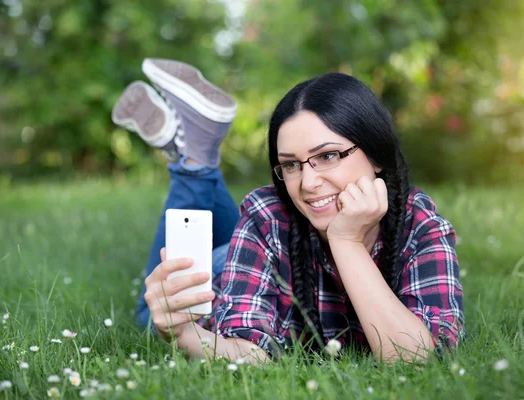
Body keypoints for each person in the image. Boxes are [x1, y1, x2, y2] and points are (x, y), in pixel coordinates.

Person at [112, 58, 465, 364]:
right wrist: (186, 334)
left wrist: (346, 241)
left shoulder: (419, 225)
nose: (308, 183)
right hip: (236, 267)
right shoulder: (267, 216)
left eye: (328, 156)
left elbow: (415, 360)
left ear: (375, 154)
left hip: (268, 253)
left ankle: (195, 154)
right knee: (150, 315)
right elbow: (250, 353)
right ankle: (195, 156)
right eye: (291, 164)